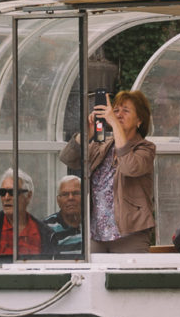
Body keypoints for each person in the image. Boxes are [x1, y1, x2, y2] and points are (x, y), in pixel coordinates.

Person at [63, 89, 157, 254]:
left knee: (128, 280)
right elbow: (69, 158)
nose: (119, 115)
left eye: (125, 111)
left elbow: (129, 167)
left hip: (130, 235)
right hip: (96, 234)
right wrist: (87, 133)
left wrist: (113, 123)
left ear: (139, 120)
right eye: (116, 111)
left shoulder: (145, 148)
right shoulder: (103, 144)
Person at [42, 176, 85, 256]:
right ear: (58, 201)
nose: (71, 198)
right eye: (65, 194)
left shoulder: (92, 224)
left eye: (76, 193)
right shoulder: (47, 228)